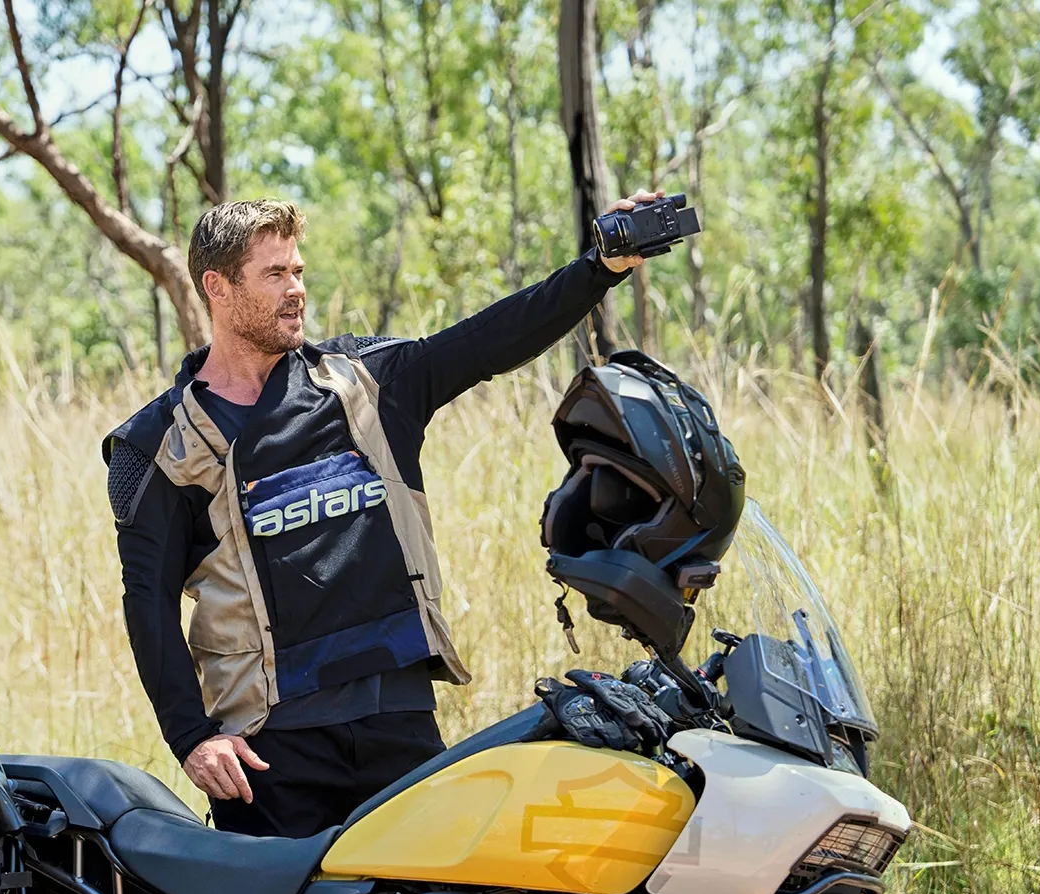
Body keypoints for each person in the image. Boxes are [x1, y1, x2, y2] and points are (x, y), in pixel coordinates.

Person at [104, 195, 659, 837]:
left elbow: (488, 341)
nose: (297, 292)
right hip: (269, 748)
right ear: (217, 287)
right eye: (275, 274)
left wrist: (599, 266)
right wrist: (192, 738)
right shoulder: (159, 446)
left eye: (299, 272)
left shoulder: (366, 386)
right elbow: (146, 602)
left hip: (397, 722)